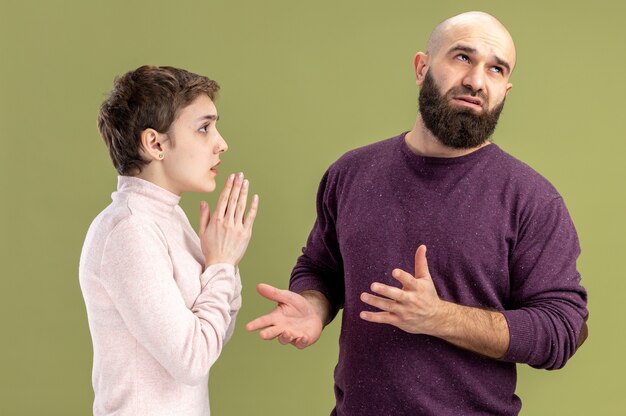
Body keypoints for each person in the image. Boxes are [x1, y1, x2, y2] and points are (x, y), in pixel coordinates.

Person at [246, 11, 588, 415]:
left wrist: (439, 317)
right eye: (462, 57)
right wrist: (314, 306)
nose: (476, 81)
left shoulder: (531, 199)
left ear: (505, 90)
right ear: (422, 67)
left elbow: (563, 330)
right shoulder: (351, 173)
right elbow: (320, 266)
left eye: (495, 69)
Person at [79, 65, 258, 416]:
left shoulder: (168, 217)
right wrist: (220, 264)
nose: (221, 143)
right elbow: (192, 361)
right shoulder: (129, 231)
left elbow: (215, 335)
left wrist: (223, 262)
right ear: (155, 143)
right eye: (204, 128)